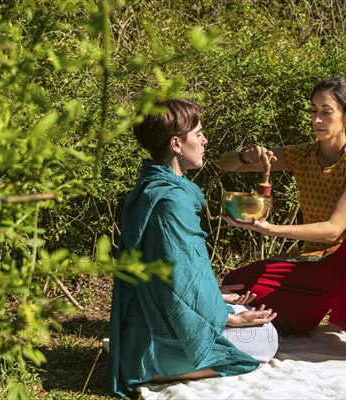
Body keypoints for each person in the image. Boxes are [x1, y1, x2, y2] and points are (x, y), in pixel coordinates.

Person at [217, 77, 346, 369]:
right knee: (241, 281)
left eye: (326, 111)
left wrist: (270, 228)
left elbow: (333, 230)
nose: (317, 119)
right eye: (314, 110)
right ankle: (285, 321)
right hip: (316, 262)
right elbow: (223, 163)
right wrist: (246, 155)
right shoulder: (301, 155)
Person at [107, 99, 278, 398]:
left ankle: (151, 361)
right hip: (157, 339)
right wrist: (230, 318)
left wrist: (215, 294)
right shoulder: (172, 202)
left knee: (244, 312)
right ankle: (153, 370)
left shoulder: (152, 185)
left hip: (145, 321)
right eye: (198, 133)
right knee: (265, 341)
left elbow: (171, 274)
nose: (204, 140)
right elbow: (180, 281)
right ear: (176, 143)